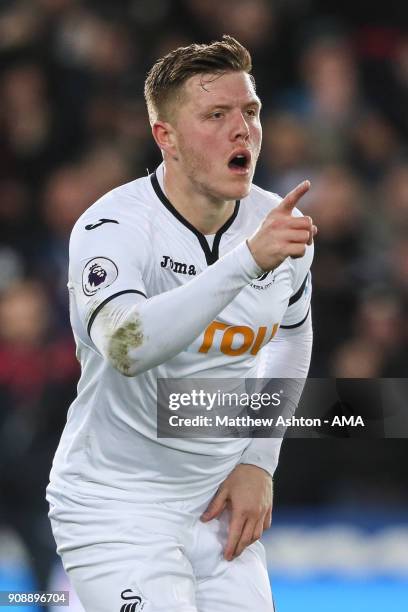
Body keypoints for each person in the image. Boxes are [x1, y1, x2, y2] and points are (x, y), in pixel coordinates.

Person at [47, 35, 316, 612]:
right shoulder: (112, 228)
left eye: (250, 111)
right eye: (216, 115)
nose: (241, 129)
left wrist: (257, 460)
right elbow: (125, 345)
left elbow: (293, 334)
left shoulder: (279, 223)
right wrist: (245, 263)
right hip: (116, 503)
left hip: (219, 506)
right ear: (164, 137)